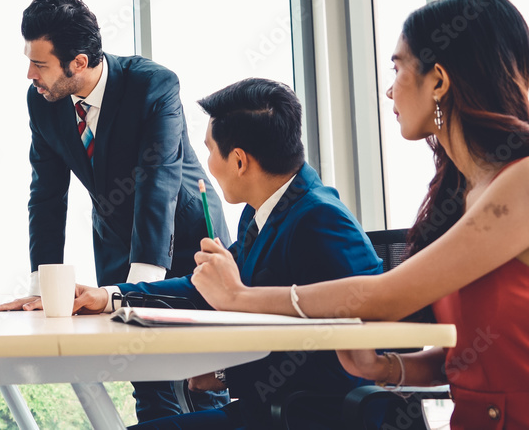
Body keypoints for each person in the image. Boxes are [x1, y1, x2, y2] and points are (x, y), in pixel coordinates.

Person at [192, 0, 529, 430]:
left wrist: (241, 299)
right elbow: (470, 356)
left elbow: (385, 296)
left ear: (439, 81)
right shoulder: (463, 195)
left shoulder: (521, 183)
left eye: (398, 67)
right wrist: (388, 369)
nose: (389, 90)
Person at [73, 78, 383, 429]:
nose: (207, 164)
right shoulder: (263, 210)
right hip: (266, 411)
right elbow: (204, 286)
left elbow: (349, 354)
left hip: (303, 418)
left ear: (238, 161)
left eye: (209, 150)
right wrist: (112, 295)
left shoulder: (320, 219)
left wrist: (228, 373)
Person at [0, 0, 231, 421]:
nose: (30, 74)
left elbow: (159, 182)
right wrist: (44, 287)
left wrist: (141, 289)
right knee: (147, 380)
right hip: (116, 240)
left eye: (40, 64)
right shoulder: (43, 103)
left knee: (199, 379)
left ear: (78, 62)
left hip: (187, 237)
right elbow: (46, 194)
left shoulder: (153, 84)